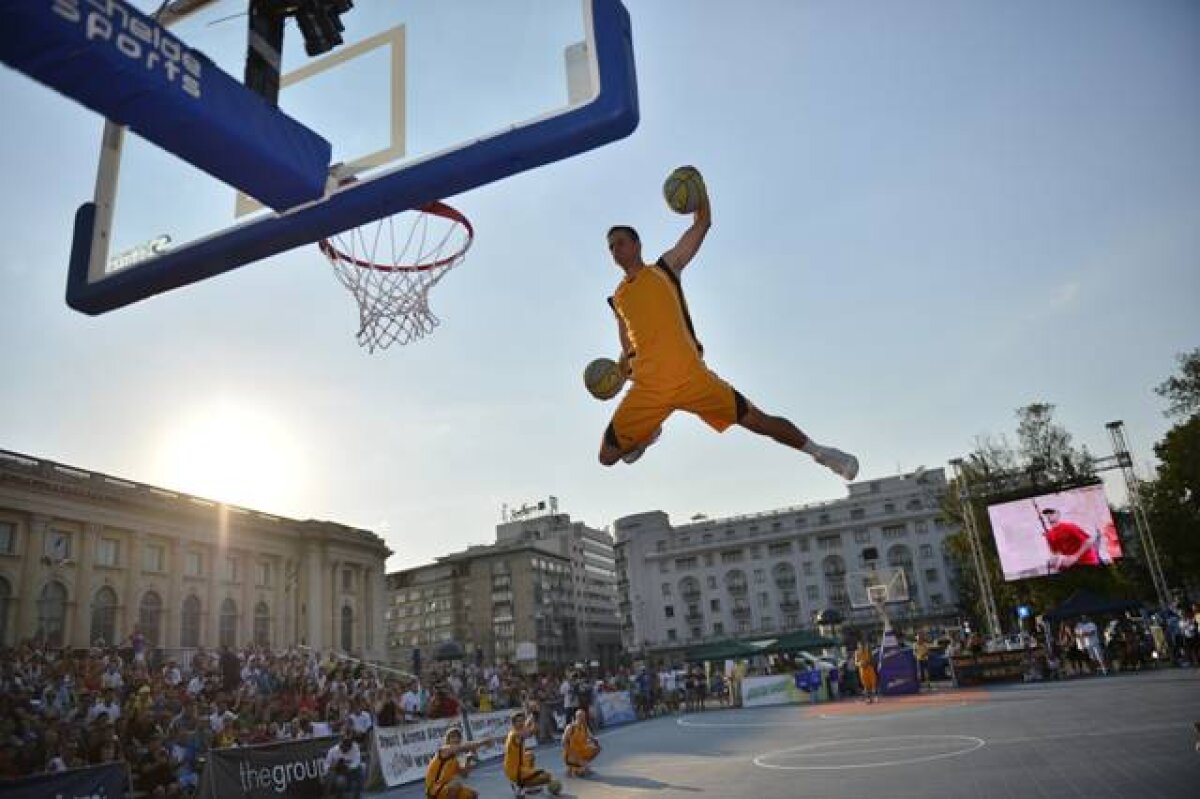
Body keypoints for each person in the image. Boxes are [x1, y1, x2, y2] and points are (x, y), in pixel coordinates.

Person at [598, 174, 859, 480]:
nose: (616, 250)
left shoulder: (665, 268)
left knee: (758, 421)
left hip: (691, 378)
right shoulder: (619, 298)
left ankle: (822, 453)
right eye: (611, 247)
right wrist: (618, 375)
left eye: (621, 243)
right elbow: (629, 344)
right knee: (607, 457)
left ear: (637, 244)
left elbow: (702, 224)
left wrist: (699, 191)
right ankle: (648, 434)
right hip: (648, 388)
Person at [502, 710, 561, 795]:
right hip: (516, 771)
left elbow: (526, 728)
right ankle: (521, 785)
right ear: (513, 723)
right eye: (518, 721)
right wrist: (534, 718)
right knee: (547, 776)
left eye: (522, 721)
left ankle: (526, 780)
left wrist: (532, 716)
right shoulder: (515, 735)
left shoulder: (514, 731)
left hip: (514, 766)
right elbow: (530, 732)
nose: (521, 723)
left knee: (530, 755)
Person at [424, 726, 492, 799]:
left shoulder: (455, 760)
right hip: (433, 789)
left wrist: (468, 760)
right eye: (453, 737)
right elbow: (464, 747)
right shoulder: (444, 750)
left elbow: (464, 775)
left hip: (446, 788)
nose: (456, 739)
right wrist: (483, 742)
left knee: (472, 794)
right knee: (456, 783)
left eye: (458, 737)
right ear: (447, 740)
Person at [1040, 508, 1100, 572]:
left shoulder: (1069, 526)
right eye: (1046, 514)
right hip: (1071, 566)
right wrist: (1057, 561)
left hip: (1087, 562)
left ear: (1058, 514)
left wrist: (1075, 556)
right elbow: (1056, 552)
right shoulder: (1049, 535)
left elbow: (1089, 541)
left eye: (1051, 513)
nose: (1049, 515)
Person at [562, 708, 601, 778]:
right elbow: (563, 742)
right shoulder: (570, 727)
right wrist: (575, 757)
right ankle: (574, 767)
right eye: (581, 716)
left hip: (582, 751)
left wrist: (595, 740)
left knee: (597, 748)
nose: (583, 718)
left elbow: (591, 737)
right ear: (577, 717)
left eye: (584, 716)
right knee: (580, 772)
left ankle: (583, 765)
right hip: (572, 754)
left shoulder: (584, 727)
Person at [323, 732, 364, 799]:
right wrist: (334, 766)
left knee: (362, 769)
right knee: (340, 781)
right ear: (341, 745)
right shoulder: (333, 750)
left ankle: (357, 796)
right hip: (338, 773)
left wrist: (347, 767)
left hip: (351, 771)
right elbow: (326, 765)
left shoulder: (355, 747)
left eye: (348, 746)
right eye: (345, 746)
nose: (346, 748)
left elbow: (357, 761)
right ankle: (339, 796)